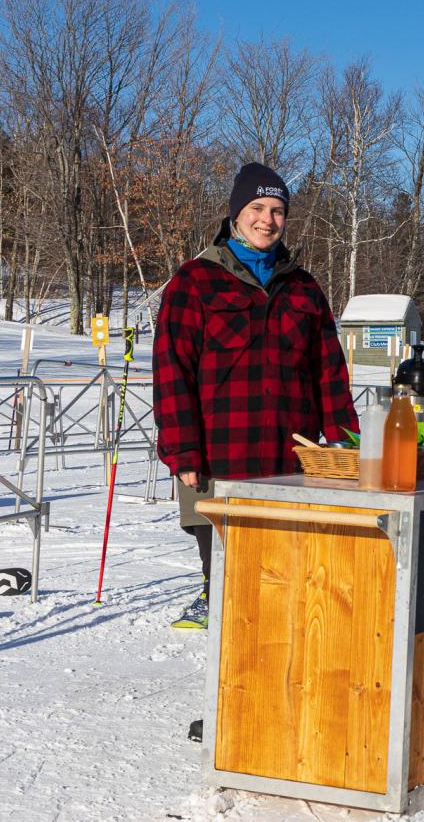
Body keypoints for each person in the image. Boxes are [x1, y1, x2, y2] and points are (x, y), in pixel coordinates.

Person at [153, 162, 358, 629]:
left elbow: (328, 369)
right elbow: (172, 370)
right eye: (257, 208)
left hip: (291, 460)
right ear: (235, 214)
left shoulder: (303, 288)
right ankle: (229, 686)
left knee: (288, 582)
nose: (267, 219)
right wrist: (182, 449)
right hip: (219, 454)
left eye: (278, 210)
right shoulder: (195, 281)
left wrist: (345, 438)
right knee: (229, 583)